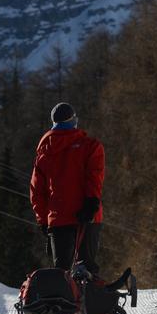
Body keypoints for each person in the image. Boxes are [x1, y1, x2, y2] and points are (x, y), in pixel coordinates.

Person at [30, 102, 105, 276]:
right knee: (87, 271)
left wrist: (43, 220)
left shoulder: (44, 153)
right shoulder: (91, 146)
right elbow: (94, 177)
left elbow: (37, 191)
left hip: (58, 219)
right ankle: (90, 301)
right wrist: (91, 203)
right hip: (88, 217)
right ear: (73, 120)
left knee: (62, 274)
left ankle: (63, 302)